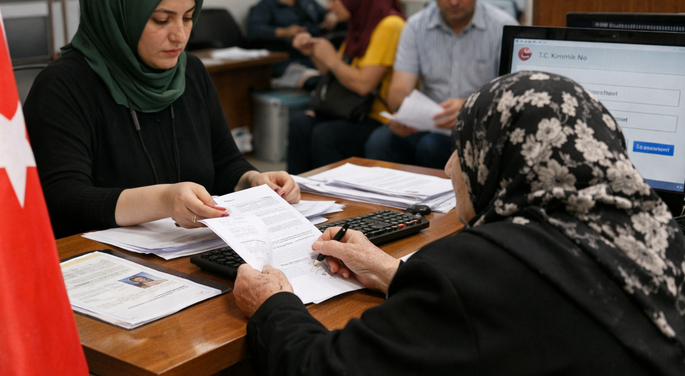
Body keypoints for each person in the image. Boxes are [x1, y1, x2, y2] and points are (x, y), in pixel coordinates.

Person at [233, 71, 685, 375]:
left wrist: (273, 304)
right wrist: (393, 274)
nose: (450, 167)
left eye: (465, 149)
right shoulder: (661, 233)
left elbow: (327, 368)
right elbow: (530, 314)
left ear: (504, 161)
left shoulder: (481, 264)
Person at [24, 0, 300, 239]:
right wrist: (163, 201)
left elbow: (225, 162)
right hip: (103, 262)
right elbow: (63, 201)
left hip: (187, 252)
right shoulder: (64, 85)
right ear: (118, 16)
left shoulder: (190, 71)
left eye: (188, 17)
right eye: (161, 20)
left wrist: (253, 182)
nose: (180, 35)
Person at [364, 0, 518, 169]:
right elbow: (398, 91)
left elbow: (514, 97)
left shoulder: (503, 27)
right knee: (380, 141)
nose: (454, 0)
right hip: (428, 123)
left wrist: (469, 107)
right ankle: (384, 203)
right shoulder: (416, 27)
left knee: (432, 146)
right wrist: (404, 114)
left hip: (480, 126)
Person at [286, 0, 405, 174]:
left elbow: (363, 85)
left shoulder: (390, 25)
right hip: (351, 110)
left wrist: (330, 58)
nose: (329, 6)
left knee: (326, 134)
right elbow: (335, 75)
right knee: (300, 124)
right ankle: (293, 193)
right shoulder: (360, 23)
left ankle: (333, 200)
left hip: (377, 116)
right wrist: (314, 52)